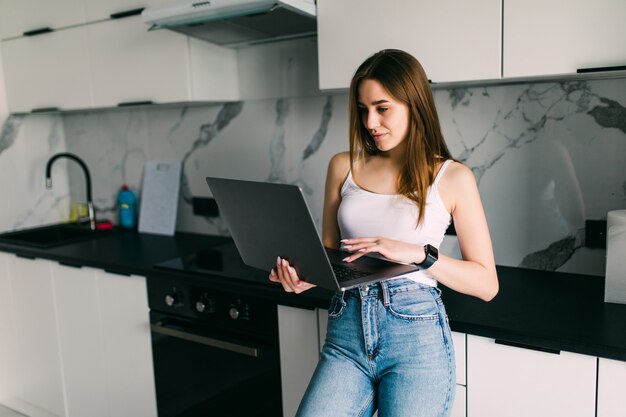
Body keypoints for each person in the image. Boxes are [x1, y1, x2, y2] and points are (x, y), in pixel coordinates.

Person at [268, 49, 499, 417]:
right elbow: (330, 257)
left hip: (415, 334)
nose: (370, 121)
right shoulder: (343, 166)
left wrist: (417, 253)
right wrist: (302, 278)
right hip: (346, 330)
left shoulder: (453, 177)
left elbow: (486, 284)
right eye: (363, 109)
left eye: (382, 107)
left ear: (414, 104)